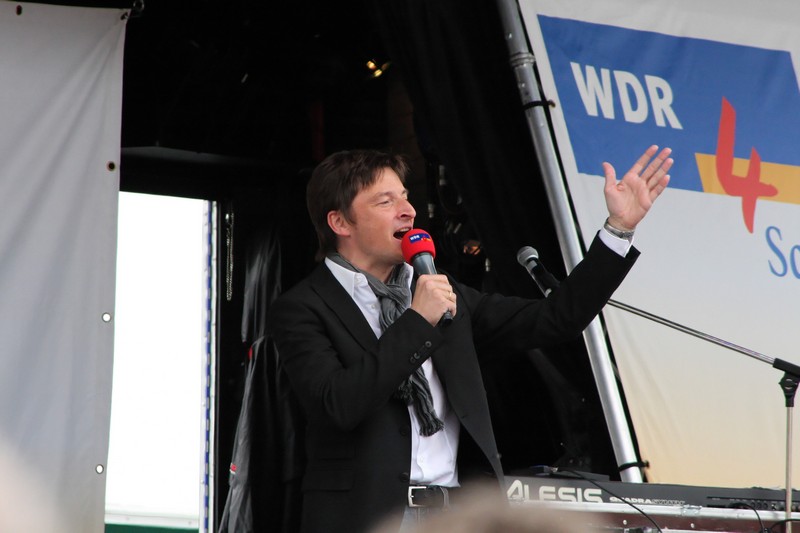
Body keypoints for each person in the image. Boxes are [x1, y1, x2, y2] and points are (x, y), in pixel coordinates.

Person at [266, 146, 672, 533]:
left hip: (455, 515)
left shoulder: (439, 289)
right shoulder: (303, 307)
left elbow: (555, 319)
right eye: (385, 202)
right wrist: (418, 321)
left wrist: (619, 229)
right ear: (340, 223)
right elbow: (337, 405)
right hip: (366, 518)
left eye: (405, 196)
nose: (408, 210)